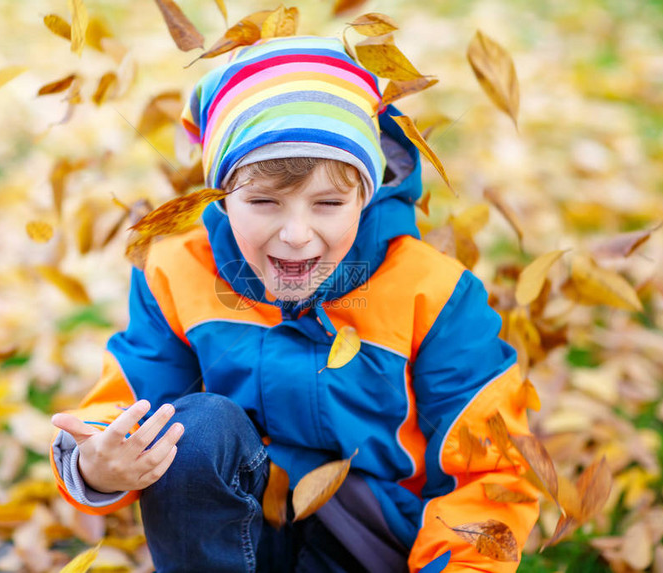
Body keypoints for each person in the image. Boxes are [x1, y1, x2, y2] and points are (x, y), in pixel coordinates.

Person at [50, 35, 539, 573]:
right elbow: (130, 411)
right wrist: (98, 467)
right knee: (192, 429)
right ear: (221, 196)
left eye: (328, 204)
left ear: (366, 196)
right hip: (238, 536)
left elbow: (491, 474)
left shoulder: (437, 294)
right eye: (263, 202)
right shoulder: (177, 272)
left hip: (373, 540)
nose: (297, 235)